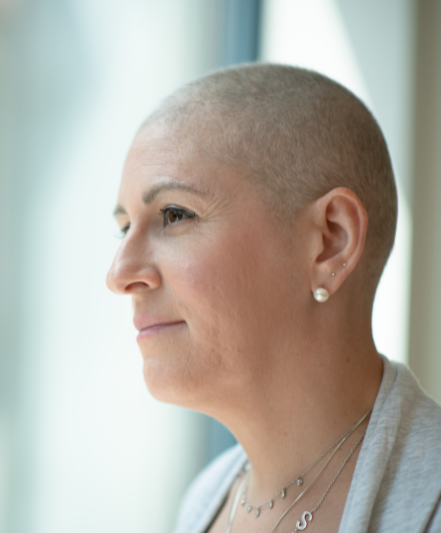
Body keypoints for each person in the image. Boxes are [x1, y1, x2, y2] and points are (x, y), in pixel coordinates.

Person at [106, 63, 441, 533]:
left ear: (330, 241)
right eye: (124, 228)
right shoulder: (204, 502)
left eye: (175, 214)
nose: (119, 274)